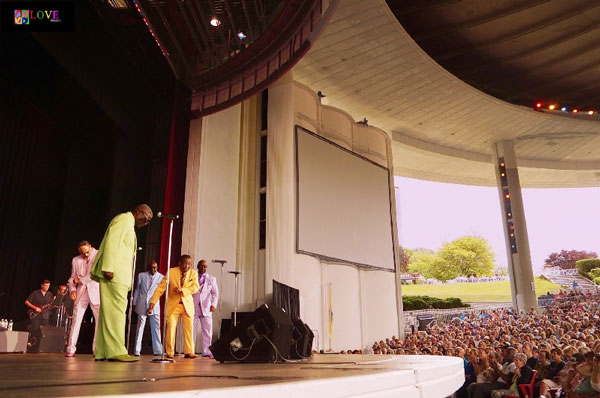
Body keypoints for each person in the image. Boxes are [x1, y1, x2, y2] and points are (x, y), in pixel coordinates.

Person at [90, 204, 152, 362]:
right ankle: (116, 350)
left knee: (108, 314)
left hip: (118, 275)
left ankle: (103, 351)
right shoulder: (124, 219)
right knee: (116, 313)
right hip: (115, 274)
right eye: (145, 219)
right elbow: (112, 242)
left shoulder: (128, 223)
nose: (146, 223)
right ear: (138, 212)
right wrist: (108, 267)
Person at [148, 255, 199, 359]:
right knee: (171, 329)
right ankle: (170, 351)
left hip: (187, 306)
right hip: (173, 306)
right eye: (184, 263)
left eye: (189, 264)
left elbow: (195, 288)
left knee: (189, 329)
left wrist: (183, 291)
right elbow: (161, 288)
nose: (187, 266)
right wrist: (152, 302)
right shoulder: (171, 272)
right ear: (179, 263)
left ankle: (189, 351)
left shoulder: (193, 273)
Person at [65, 241, 100, 357]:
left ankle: (97, 350)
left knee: (99, 322)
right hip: (81, 292)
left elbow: (95, 275)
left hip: (96, 291)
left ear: (91, 246)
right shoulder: (75, 260)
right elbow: (72, 278)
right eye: (82, 253)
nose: (85, 255)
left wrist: (79, 280)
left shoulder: (99, 254)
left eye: (87, 252)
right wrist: (72, 289)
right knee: (75, 321)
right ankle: (70, 349)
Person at [133, 260, 163, 356]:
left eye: (155, 267)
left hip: (154, 305)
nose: (153, 269)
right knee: (140, 327)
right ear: (148, 268)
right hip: (142, 303)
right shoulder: (141, 275)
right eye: (151, 267)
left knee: (156, 328)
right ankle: (137, 350)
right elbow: (138, 289)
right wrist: (134, 303)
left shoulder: (161, 277)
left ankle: (158, 350)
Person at [192, 259, 218, 357]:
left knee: (207, 331)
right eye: (201, 266)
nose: (203, 268)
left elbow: (215, 293)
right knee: (191, 331)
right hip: (194, 307)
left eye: (205, 266)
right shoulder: (192, 277)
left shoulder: (212, 279)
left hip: (206, 308)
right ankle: (190, 351)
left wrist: (213, 305)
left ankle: (206, 352)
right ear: (198, 266)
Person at [25, 280, 55, 350]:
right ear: (42, 285)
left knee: (43, 331)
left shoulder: (50, 294)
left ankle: (40, 346)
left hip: (45, 316)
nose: (47, 287)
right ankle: (30, 344)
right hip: (36, 315)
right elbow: (26, 302)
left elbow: (50, 305)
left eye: (48, 286)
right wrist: (35, 308)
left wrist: (54, 302)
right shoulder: (35, 293)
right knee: (34, 329)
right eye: (46, 285)